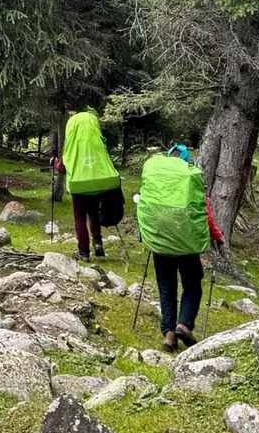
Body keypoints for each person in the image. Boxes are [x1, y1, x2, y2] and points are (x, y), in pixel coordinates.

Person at [136, 142, 222, 351]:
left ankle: (169, 334)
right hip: (187, 246)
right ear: (186, 162)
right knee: (192, 284)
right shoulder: (190, 180)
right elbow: (205, 214)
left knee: (166, 287)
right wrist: (217, 237)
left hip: (161, 244)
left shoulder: (158, 181)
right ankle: (183, 324)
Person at [58, 110, 126, 261]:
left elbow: (62, 168)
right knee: (93, 213)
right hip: (97, 184)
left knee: (80, 217)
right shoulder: (98, 141)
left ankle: (83, 252)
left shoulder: (70, 144)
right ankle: (98, 243)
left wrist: (54, 162)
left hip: (78, 186)